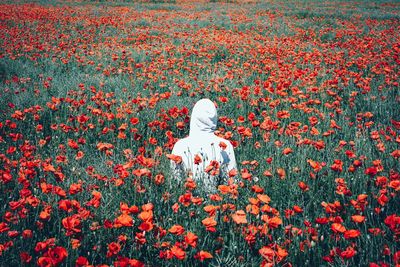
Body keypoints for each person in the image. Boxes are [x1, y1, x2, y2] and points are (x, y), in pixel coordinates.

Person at [170, 98, 237, 191]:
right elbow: (232, 182)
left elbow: (175, 182)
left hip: (188, 200)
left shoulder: (180, 145)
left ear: (194, 117)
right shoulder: (226, 145)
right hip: (217, 202)